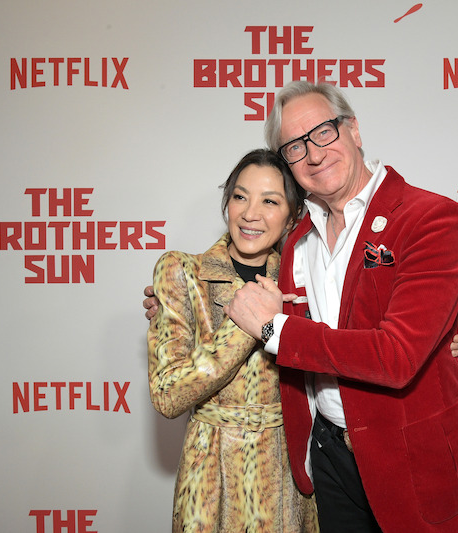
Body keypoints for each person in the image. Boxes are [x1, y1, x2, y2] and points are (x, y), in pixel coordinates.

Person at [223, 81, 458, 533]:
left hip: (413, 463)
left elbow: (398, 356)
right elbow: (243, 259)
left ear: (354, 130)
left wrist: (276, 331)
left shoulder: (431, 218)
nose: (313, 153)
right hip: (327, 460)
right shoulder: (296, 238)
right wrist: (179, 294)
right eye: (294, 146)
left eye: (323, 132)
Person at [147, 149, 318, 533]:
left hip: (286, 474)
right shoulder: (181, 271)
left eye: (270, 201)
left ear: (293, 216)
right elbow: (167, 394)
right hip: (208, 473)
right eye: (240, 196)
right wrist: (247, 321)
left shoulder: (305, 282)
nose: (250, 213)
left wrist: (441, 348)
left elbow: (360, 346)